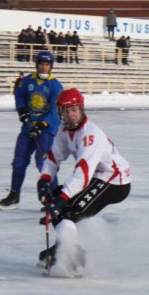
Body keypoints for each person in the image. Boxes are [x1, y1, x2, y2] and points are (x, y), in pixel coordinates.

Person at [37, 88, 131, 277]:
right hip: (97, 176)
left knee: (68, 211)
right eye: (66, 111)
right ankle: (63, 249)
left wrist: (63, 198)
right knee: (56, 203)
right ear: (60, 113)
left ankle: (74, 258)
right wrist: (44, 179)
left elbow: (83, 173)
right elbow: (54, 156)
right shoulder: (64, 131)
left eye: (74, 110)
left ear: (81, 109)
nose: (71, 115)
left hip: (114, 179)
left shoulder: (90, 135)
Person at [0, 51, 63, 210]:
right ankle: (14, 194)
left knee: (44, 162)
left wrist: (42, 125)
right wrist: (22, 111)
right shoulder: (27, 81)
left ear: (51, 66)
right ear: (36, 64)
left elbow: (55, 110)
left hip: (46, 130)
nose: (43, 67)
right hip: (28, 128)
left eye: (47, 64)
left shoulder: (55, 85)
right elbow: (19, 96)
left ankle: (53, 195)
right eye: (41, 64)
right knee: (19, 161)